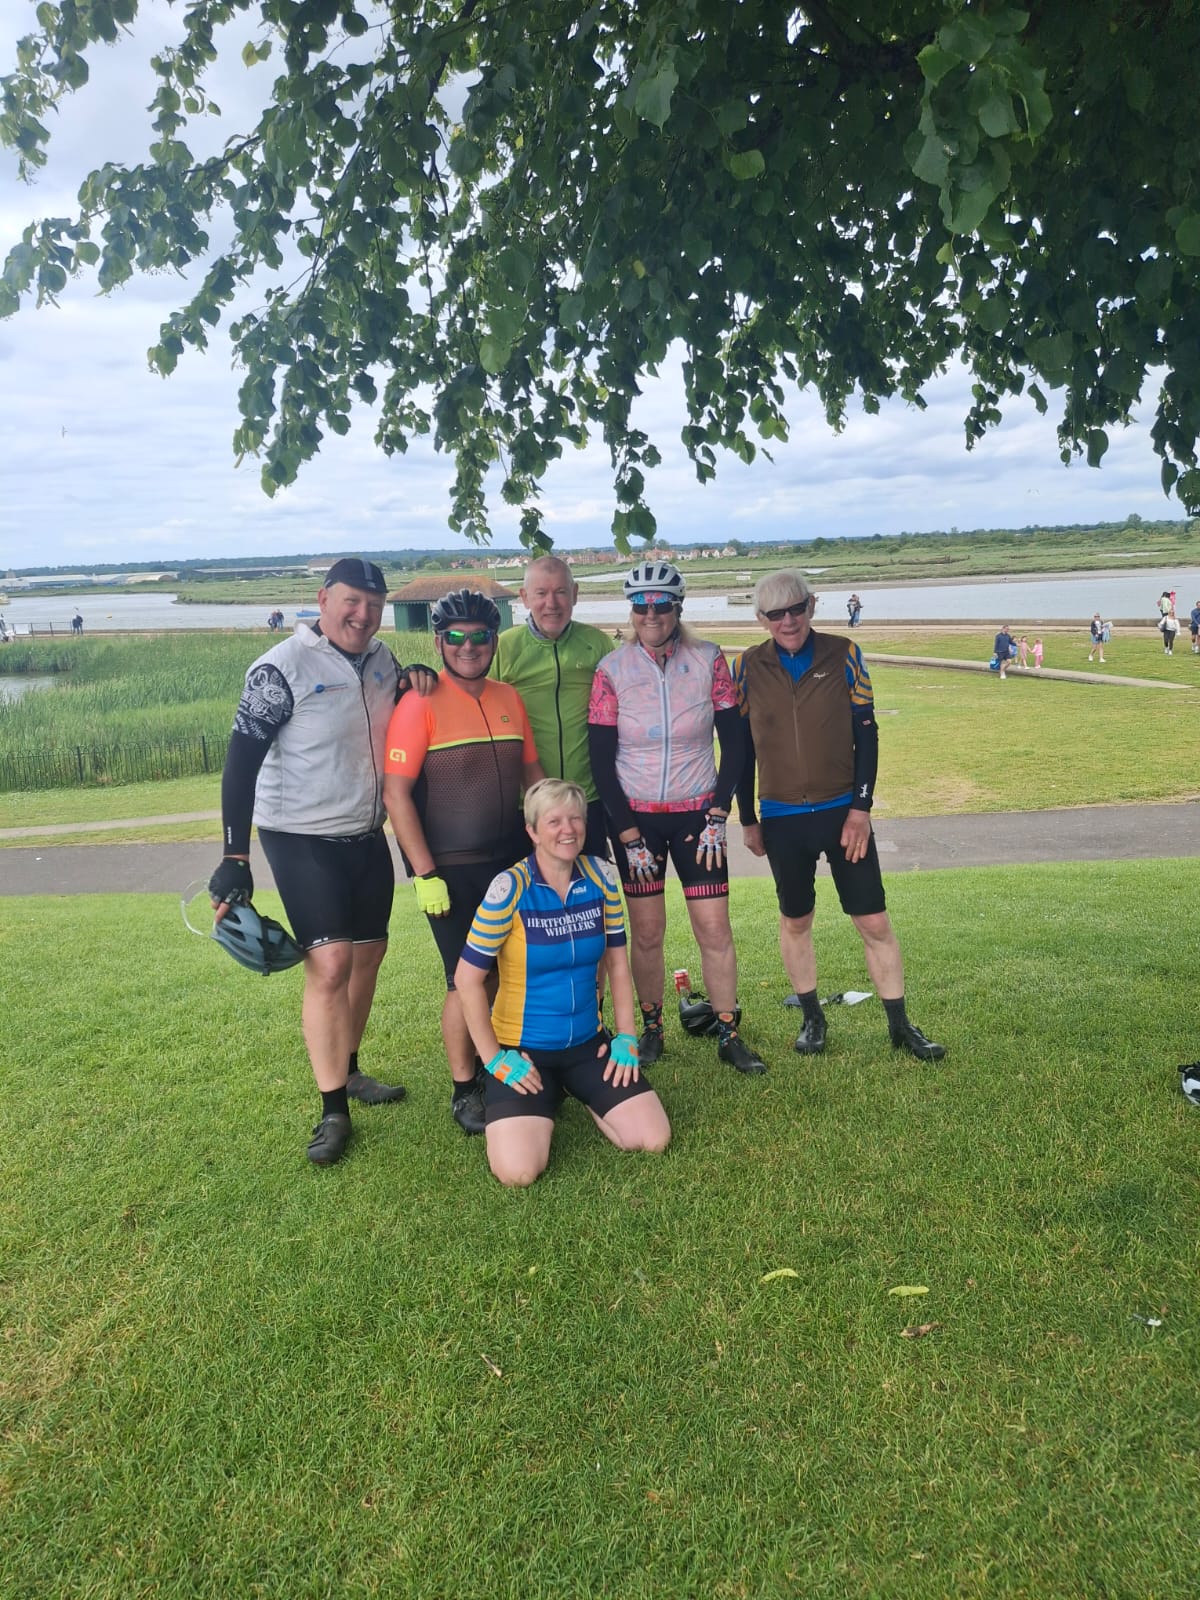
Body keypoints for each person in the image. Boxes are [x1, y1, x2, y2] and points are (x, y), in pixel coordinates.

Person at [208, 557, 433, 1166]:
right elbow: (240, 766)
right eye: (351, 601)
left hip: (366, 833)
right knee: (330, 964)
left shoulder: (383, 660)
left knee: (369, 954)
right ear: (324, 599)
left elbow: (402, 714)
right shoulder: (279, 668)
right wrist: (234, 855)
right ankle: (333, 1109)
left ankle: (350, 1069)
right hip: (300, 836)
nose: (363, 614)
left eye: (374, 605)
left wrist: (417, 678)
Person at [732, 570, 944, 1062]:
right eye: (776, 614)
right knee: (796, 919)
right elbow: (740, 750)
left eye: (797, 608)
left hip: (841, 813)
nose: (789, 621)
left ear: (812, 606)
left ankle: (900, 1026)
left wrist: (860, 809)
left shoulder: (844, 653)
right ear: (762, 619)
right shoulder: (745, 667)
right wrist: (747, 818)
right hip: (781, 816)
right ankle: (813, 1018)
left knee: (873, 920)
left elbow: (867, 734)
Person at [587, 559, 767, 1074]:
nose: (651, 614)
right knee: (646, 933)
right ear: (631, 611)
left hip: (698, 819)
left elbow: (735, 743)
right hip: (636, 822)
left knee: (714, 929)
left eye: (661, 605)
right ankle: (652, 1029)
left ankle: (729, 1032)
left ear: (677, 607)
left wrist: (719, 811)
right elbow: (601, 759)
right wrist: (626, 832)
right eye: (640, 606)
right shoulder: (611, 670)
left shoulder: (708, 659)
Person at [455, 778, 671, 1186]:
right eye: (553, 821)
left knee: (652, 1139)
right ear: (533, 831)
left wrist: (626, 1036)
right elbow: (467, 980)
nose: (567, 829)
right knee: (518, 1172)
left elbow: (617, 964)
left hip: (588, 1044)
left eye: (575, 819)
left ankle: (578, 1089)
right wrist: (494, 1059)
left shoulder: (601, 877)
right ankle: (545, 1093)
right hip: (523, 1051)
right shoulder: (510, 888)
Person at [383, 589, 544, 1137]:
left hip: (512, 860)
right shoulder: (419, 702)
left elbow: (533, 778)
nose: (468, 646)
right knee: (464, 980)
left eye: (480, 636)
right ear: (438, 643)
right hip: (450, 868)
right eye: (455, 637)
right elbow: (396, 795)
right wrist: (424, 874)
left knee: (509, 970)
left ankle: (505, 1063)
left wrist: (550, 840)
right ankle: (463, 1086)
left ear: (495, 641)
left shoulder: (508, 697)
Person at [491, 554, 615, 857]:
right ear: (524, 597)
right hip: (525, 801)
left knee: (588, 883)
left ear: (575, 594)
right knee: (529, 886)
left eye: (561, 592)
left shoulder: (597, 643)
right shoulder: (504, 647)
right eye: (541, 593)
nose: (552, 603)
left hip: (586, 798)